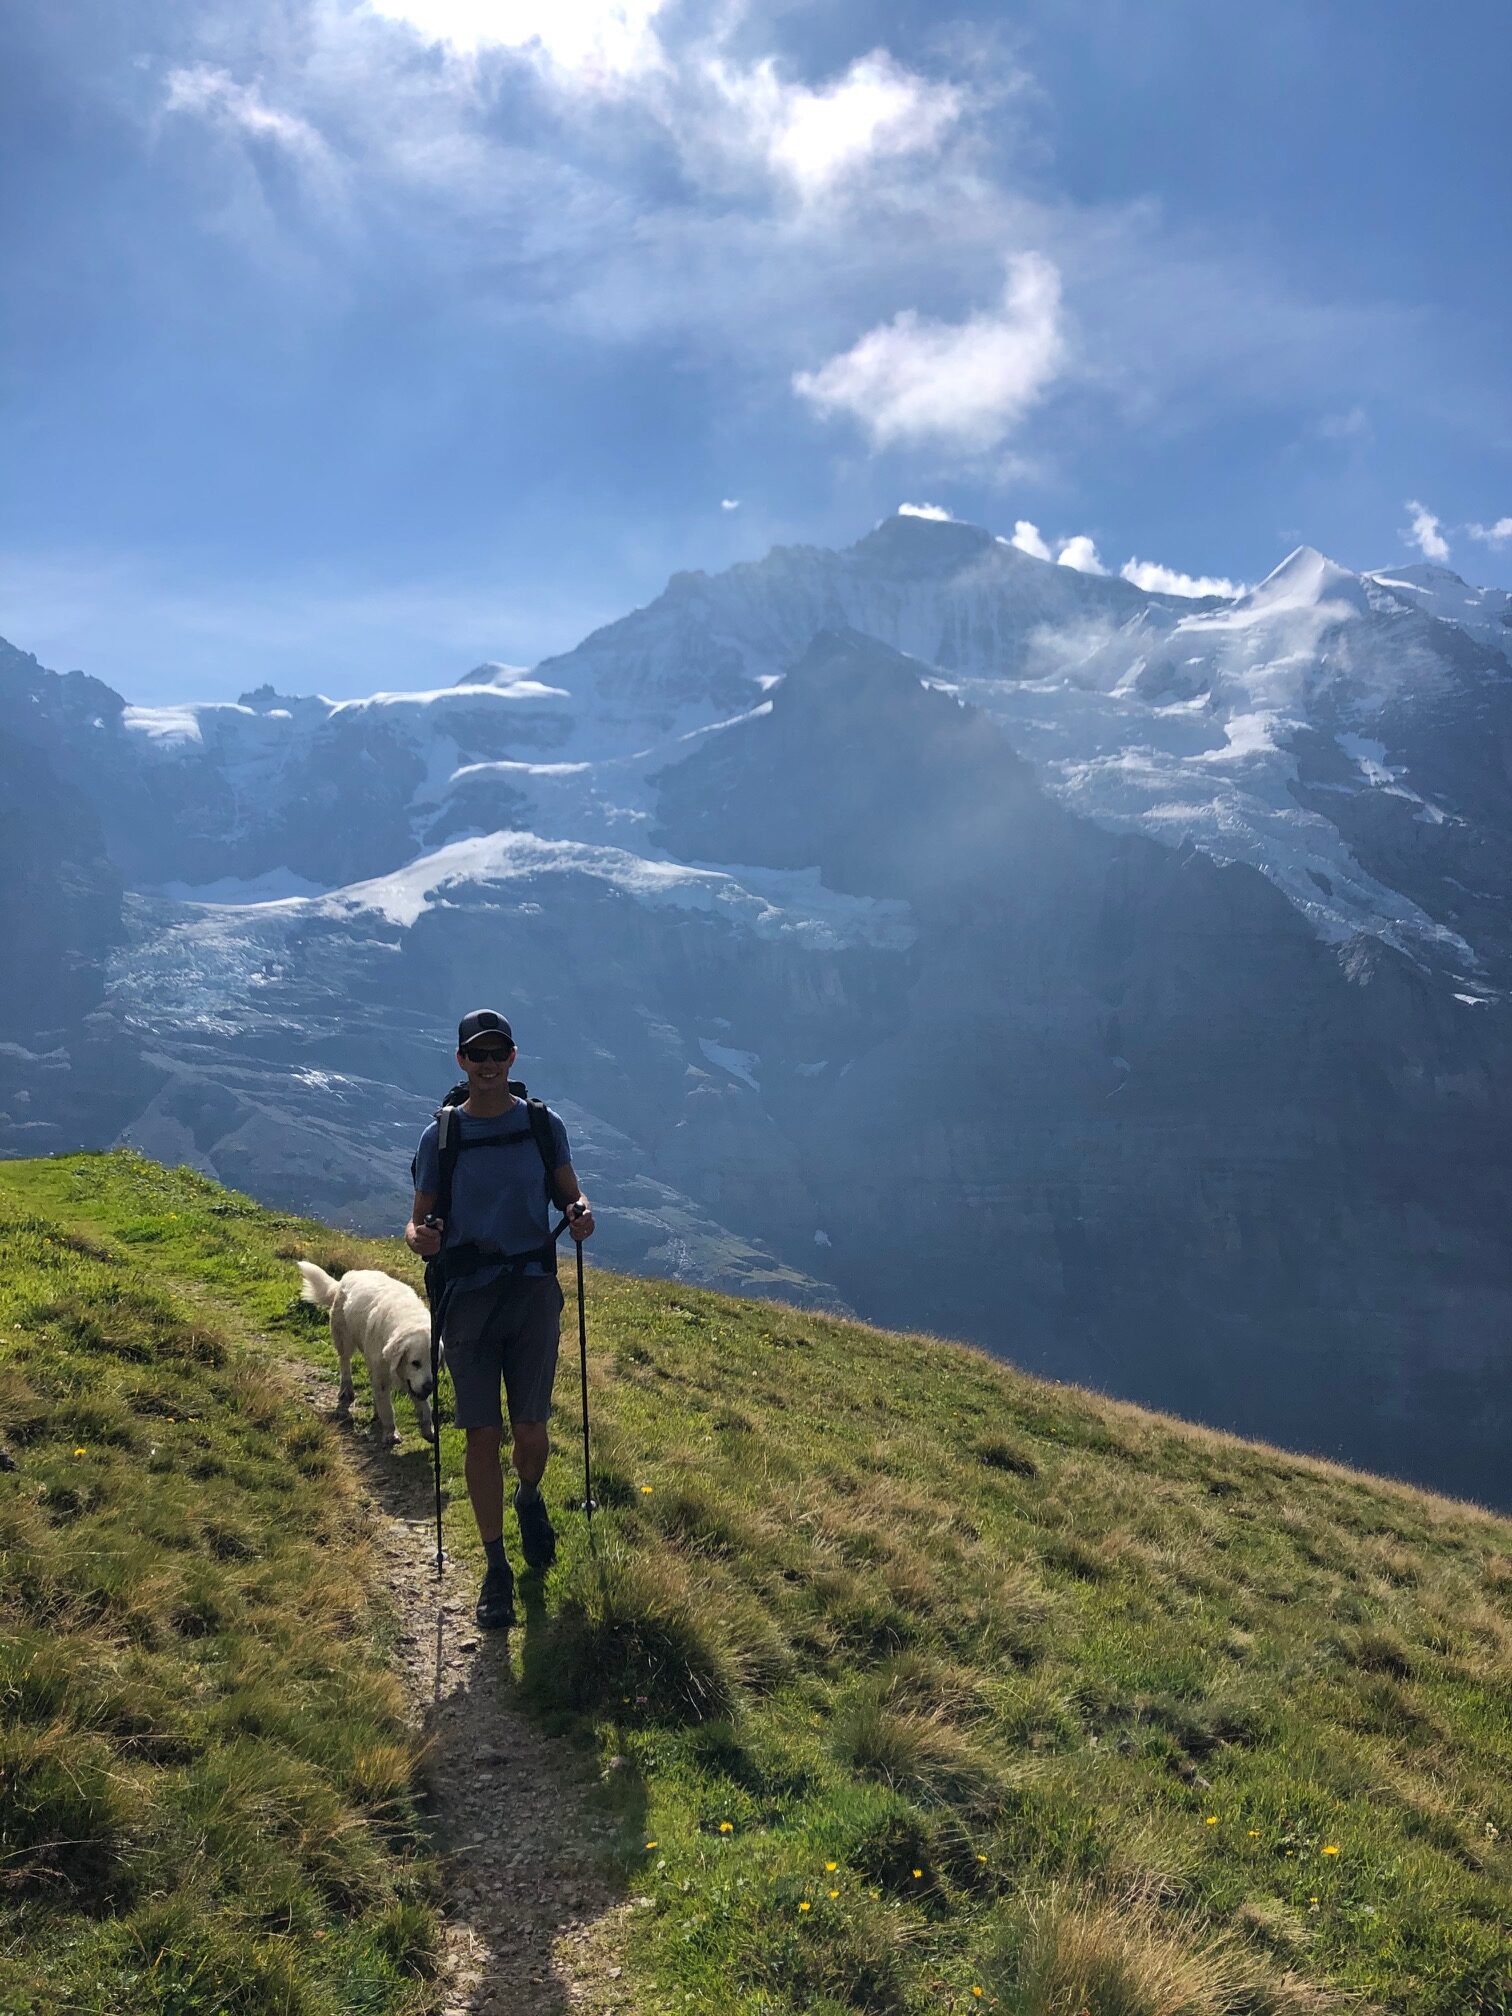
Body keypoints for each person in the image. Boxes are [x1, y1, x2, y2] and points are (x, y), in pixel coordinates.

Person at [407, 1009, 594, 1630]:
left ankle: (529, 1495)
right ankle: (496, 1568)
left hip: (532, 1291)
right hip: (468, 1297)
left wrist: (579, 1209)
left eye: (498, 1053)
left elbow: (569, 1191)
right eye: (476, 1054)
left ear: (513, 1058)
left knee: (531, 1431)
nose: (488, 1064)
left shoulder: (542, 1125)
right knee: (481, 1433)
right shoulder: (441, 1137)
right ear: (461, 1062)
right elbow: (418, 1219)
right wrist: (420, 1240)